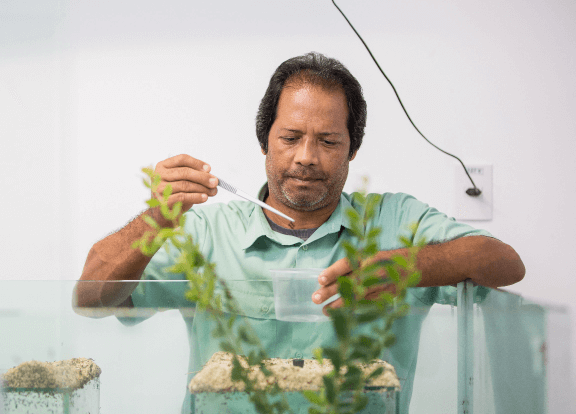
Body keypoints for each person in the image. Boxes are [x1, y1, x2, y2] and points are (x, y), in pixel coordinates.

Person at [75, 52, 525, 413]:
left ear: (353, 149)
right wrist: (155, 219)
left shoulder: (394, 222)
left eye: (328, 141)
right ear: (265, 139)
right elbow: (90, 299)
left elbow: (507, 263)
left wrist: (408, 265)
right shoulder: (208, 232)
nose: (307, 157)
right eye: (290, 137)